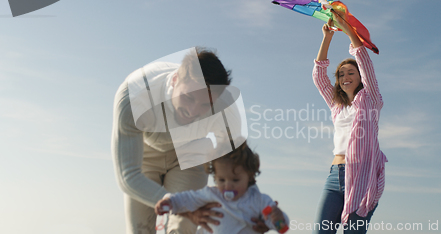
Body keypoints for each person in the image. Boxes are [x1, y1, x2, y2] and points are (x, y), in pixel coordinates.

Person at [111, 47, 268, 234]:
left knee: (184, 228)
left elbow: (238, 165)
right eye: (188, 97)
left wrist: (256, 211)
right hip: (146, 156)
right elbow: (128, 175)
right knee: (140, 230)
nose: (193, 111)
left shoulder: (226, 108)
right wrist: (180, 206)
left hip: (191, 154)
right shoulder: (134, 97)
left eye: (205, 105)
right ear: (176, 79)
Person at [312, 14, 388, 234]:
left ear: (360, 77)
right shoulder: (337, 105)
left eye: (350, 73)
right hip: (335, 175)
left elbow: (364, 61)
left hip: (361, 178)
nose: (345, 77)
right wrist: (326, 38)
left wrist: (347, 29)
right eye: (341, 74)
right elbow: (319, 77)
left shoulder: (371, 100)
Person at [154, 142, 289, 234]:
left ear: (250, 176)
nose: (228, 185)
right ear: (215, 176)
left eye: (235, 180)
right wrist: (169, 201)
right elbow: (187, 198)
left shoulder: (259, 200)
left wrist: (278, 219)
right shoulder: (211, 194)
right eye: (221, 180)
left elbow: (278, 225)